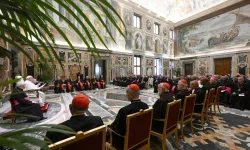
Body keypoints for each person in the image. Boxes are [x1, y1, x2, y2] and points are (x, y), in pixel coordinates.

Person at [108, 84, 148, 149]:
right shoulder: (145, 106)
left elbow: (119, 130)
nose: (126, 95)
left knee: (107, 131)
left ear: (130, 94)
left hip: (125, 142)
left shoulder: (124, 110)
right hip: (141, 137)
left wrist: (109, 128)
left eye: (126, 93)